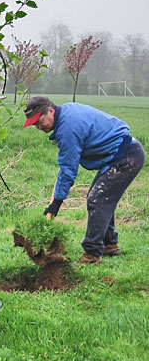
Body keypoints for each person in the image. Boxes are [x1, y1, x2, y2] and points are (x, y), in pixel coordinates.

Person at [23, 96, 145, 264]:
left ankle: (92, 253)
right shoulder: (65, 115)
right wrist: (54, 203)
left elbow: (68, 170)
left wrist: (56, 203)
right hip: (116, 155)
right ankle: (110, 245)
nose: (38, 127)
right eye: (34, 124)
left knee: (98, 199)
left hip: (126, 156)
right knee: (99, 198)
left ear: (50, 111)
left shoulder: (68, 128)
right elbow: (65, 166)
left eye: (39, 121)